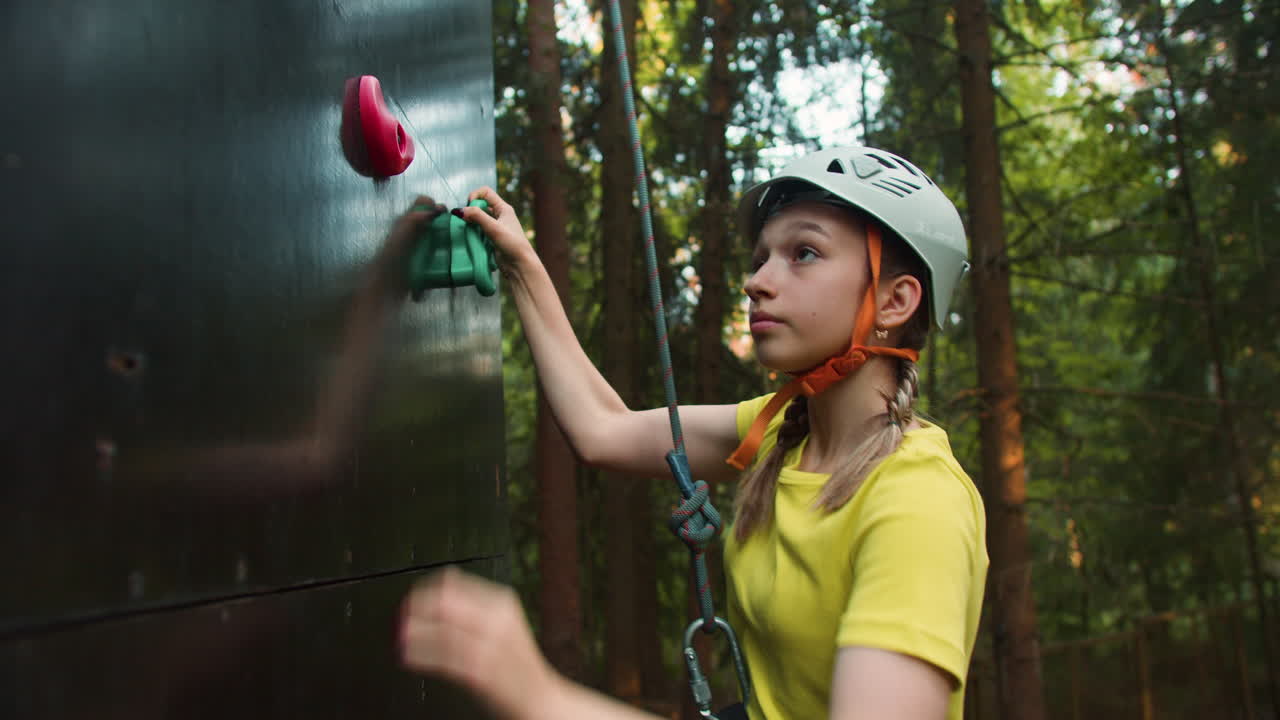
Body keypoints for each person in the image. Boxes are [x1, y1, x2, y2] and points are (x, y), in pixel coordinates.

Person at [398, 146, 988, 720]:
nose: (758, 281)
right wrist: (523, 266)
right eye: (761, 258)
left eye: (804, 253)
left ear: (895, 300)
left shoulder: (918, 504)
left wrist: (538, 698)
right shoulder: (779, 431)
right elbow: (603, 429)